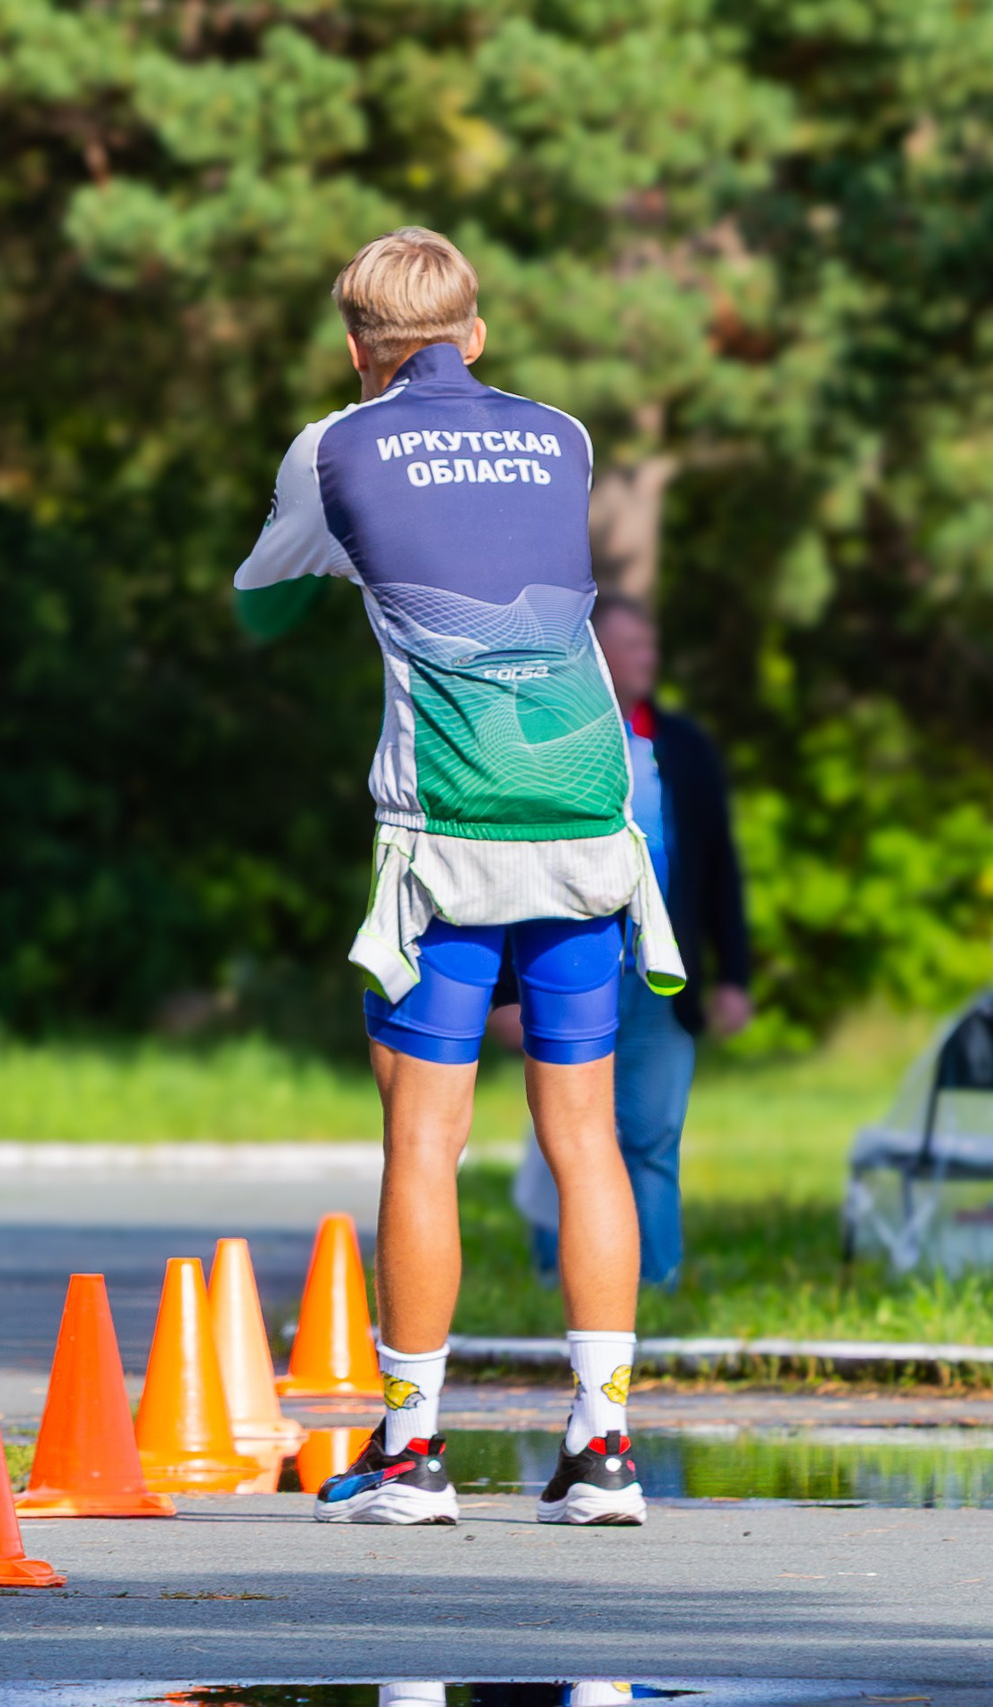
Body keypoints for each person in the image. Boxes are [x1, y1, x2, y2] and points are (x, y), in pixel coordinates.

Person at [234, 227, 683, 1526]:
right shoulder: (567, 434)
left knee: (424, 1135)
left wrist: (309, 580)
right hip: (593, 815)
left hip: (450, 830)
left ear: (354, 348)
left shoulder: (332, 445)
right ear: (474, 334)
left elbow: (260, 599)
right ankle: (603, 1450)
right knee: (585, 1133)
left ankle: (412, 1451)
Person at [509, 593, 754, 1288]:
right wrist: (504, 982)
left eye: (651, 646)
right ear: (594, 654)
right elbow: (515, 862)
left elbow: (719, 866)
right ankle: (557, 1278)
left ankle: (656, 1280)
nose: (647, 659)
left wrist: (734, 974)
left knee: (651, 1136)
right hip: (567, 960)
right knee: (567, 1130)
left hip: (660, 973)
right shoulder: (545, 736)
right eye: (633, 646)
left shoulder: (683, 747)